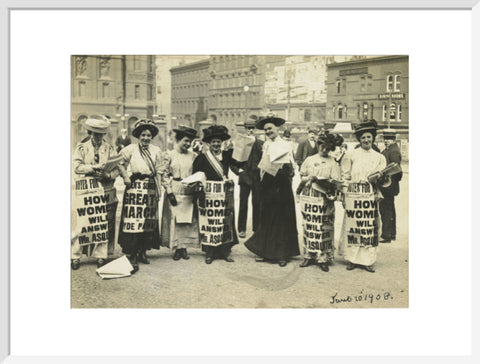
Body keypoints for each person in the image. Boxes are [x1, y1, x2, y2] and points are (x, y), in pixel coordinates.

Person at [244, 113, 300, 267]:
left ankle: (282, 253)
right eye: (266, 129)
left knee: (282, 219)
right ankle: (265, 251)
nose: (268, 131)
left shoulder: (286, 144)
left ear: (278, 128)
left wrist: (285, 167)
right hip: (268, 184)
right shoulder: (265, 145)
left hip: (282, 185)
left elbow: (292, 167)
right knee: (267, 217)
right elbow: (261, 165)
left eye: (270, 128)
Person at [71, 117, 120, 270]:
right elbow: (77, 167)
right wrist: (94, 168)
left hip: (104, 190)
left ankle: (101, 255)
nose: (98, 137)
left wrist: (107, 175)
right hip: (86, 189)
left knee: (102, 223)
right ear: (90, 132)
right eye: (95, 134)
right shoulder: (81, 148)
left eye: (101, 134)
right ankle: (75, 255)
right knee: (82, 223)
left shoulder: (110, 148)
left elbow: (117, 168)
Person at [339, 120, 386, 273]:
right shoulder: (350, 155)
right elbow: (345, 176)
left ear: (373, 138)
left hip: (369, 194)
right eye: (363, 137)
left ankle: (368, 260)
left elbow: (384, 179)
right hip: (354, 193)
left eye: (369, 137)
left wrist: (379, 180)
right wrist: (345, 195)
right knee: (354, 227)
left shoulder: (379, 157)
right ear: (359, 139)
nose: (366, 140)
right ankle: (352, 259)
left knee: (368, 227)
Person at [117, 119, 163, 273]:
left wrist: (159, 189)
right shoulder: (130, 149)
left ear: (152, 137)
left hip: (149, 187)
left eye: (148, 135)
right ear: (138, 136)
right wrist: (125, 176)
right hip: (134, 188)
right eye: (143, 135)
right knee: (133, 221)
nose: (146, 138)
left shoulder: (156, 150)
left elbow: (159, 170)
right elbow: (119, 163)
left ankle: (143, 251)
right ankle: (132, 253)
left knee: (147, 221)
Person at [192, 125, 240, 264]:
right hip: (209, 195)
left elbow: (238, 165)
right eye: (213, 142)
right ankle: (210, 252)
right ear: (209, 143)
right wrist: (200, 189)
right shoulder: (202, 158)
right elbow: (197, 175)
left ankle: (225, 252)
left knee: (225, 222)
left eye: (218, 141)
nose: (216, 144)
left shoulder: (227, 155)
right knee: (210, 223)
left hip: (224, 194)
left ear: (222, 142)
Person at [298, 131, 343, 272]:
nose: (324, 150)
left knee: (324, 227)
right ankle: (309, 255)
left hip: (325, 198)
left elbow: (336, 181)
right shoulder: (310, 160)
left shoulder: (333, 163)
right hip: (310, 195)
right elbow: (302, 176)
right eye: (322, 146)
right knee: (310, 225)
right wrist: (309, 178)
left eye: (328, 148)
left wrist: (330, 184)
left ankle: (323, 257)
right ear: (318, 145)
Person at [159, 125, 200, 260]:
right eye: (185, 141)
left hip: (188, 188)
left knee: (187, 220)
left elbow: (197, 173)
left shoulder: (193, 156)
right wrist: (169, 191)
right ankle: (176, 248)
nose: (188, 144)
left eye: (190, 142)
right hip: (175, 187)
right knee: (175, 219)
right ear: (178, 140)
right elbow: (163, 174)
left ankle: (184, 248)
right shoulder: (169, 155)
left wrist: (195, 187)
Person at [237, 117, 264, 239]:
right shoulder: (241, 143)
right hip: (244, 177)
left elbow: (264, 160)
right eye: (248, 128)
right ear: (245, 129)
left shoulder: (260, 144)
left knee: (257, 203)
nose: (250, 131)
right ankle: (241, 229)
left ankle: (256, 228)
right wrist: (239, 171)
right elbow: (234, 161)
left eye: (252, 128)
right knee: (243, 204)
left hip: (257, 178)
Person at [379, 130, 403, 243]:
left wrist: (386, 174)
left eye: (388, 139)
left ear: (393, 139)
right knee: (389, 209)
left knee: (386, 210)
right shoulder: (390, 149)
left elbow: (396, 169)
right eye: (385, 138)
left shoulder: (393, 151)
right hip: (388, 185)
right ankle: (390, 233)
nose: (385, 141)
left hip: (388, 185)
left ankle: (387, 234)